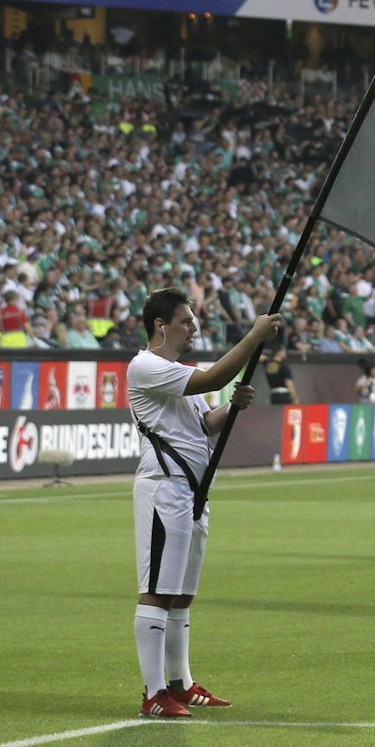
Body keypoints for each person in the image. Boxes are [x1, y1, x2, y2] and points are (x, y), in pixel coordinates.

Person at [127, 286, 282, 718]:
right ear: (161, 325)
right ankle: (154, 692)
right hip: (165, 488)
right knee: (158, 590)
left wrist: (232, 408)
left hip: (192, 490)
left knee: (181, 594)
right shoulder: (146, 366)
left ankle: (179, 684)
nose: (193, 327)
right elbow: (213, 378)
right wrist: (253, 337)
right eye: (186, 320)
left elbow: (204, 425)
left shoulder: (177, 373)